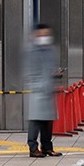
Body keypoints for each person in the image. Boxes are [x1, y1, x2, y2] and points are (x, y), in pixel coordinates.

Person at [23, 23, 63, 157]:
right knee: (36, 120)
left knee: (47, 121)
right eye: (42, 34)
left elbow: (49, 67)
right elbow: (30, 71)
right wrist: (38, 85)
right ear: (36, 34)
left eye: (47, 34)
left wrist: (55, 73)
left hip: (48, 90)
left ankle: (47, 147)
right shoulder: (31, 51)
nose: (45, 37)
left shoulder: (50, 49)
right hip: (38, 90)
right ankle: (33, 148)